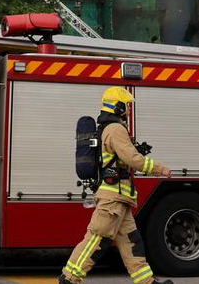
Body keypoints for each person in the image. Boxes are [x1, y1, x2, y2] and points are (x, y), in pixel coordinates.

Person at [59, 87, 175, 284]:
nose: (128, 110)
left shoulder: (109, 128)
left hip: (121, 198)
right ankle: (69, 278)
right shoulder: (115, 129)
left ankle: (146, 281)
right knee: (96, 238)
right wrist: (159, 169)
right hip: (113, 197)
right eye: (126, 105)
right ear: (117, 105)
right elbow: (132, 158)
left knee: (131, 242)